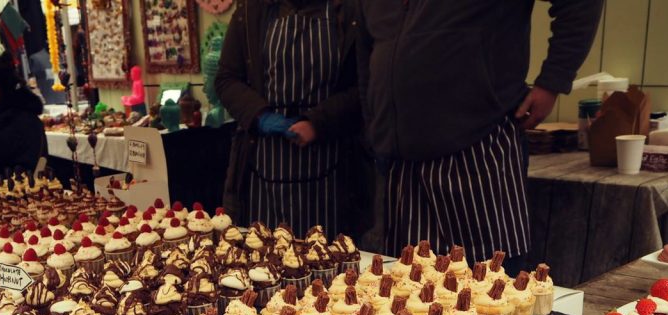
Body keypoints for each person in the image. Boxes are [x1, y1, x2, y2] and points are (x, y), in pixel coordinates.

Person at [357, 1, 603, 267]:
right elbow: (366, 53)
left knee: (490, 287)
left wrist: (553, 81)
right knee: (409, 291)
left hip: (477, 147)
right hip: (398, 165)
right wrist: (374, 124)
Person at [215, 0, 367, 237]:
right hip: (264, 165)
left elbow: (363, 87)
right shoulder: (250, 13)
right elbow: (226, 79)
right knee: (263, 256)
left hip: (330, 168)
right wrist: (261, 116)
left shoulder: (349, 13)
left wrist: (318, 122)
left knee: (328, 258)